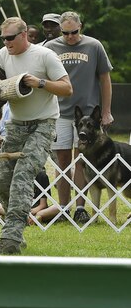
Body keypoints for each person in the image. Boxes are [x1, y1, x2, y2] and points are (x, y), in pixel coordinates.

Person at [0, 16, 72, 254]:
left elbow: (67, 88)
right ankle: (15, 230)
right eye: (3, 38)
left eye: (10, 38)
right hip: (16, 125)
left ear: (24, 35)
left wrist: (40, 83)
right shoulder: (2, 55)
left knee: (23, 176)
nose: (6, 42)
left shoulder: (45, 56)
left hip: (43, 124)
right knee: (2, 179)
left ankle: (11, 240)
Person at [44, 11, 114, 224]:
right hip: (60, 113)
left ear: (80, 27)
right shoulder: (50, 48)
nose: (70, 37)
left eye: (74, 32)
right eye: (65, 33)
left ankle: (80, 207)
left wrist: (106, 111)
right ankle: (64, 207)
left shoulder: (94, 46)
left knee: (82, 161)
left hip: (88, 116)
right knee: (62, 161)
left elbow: (105, 79)